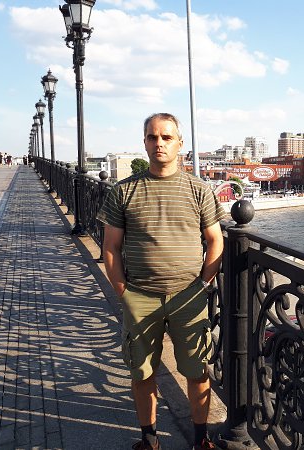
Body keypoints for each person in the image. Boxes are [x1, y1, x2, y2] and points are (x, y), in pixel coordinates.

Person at [97, 113, 225, 450]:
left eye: (167, 137)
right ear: (144, 143)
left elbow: (215, 240)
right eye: (153, 137)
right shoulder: (124, 190)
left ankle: (201, 439)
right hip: (140, 296)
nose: (159, 143)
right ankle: (149, 438)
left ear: (180, 144)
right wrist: (123, 292)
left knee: (197, 371)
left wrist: (203, 284)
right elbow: (110, 247)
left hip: (189, 296)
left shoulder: (199, 189)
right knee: (142, 372)